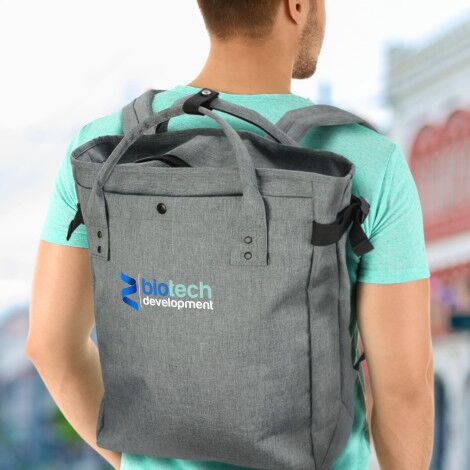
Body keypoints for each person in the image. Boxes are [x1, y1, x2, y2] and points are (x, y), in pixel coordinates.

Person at [27, 0, 434, 469]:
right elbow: (404, 390)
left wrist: (137, 461)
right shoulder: (368, 159)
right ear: (297, 6)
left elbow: (50, 346)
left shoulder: (102, 148)